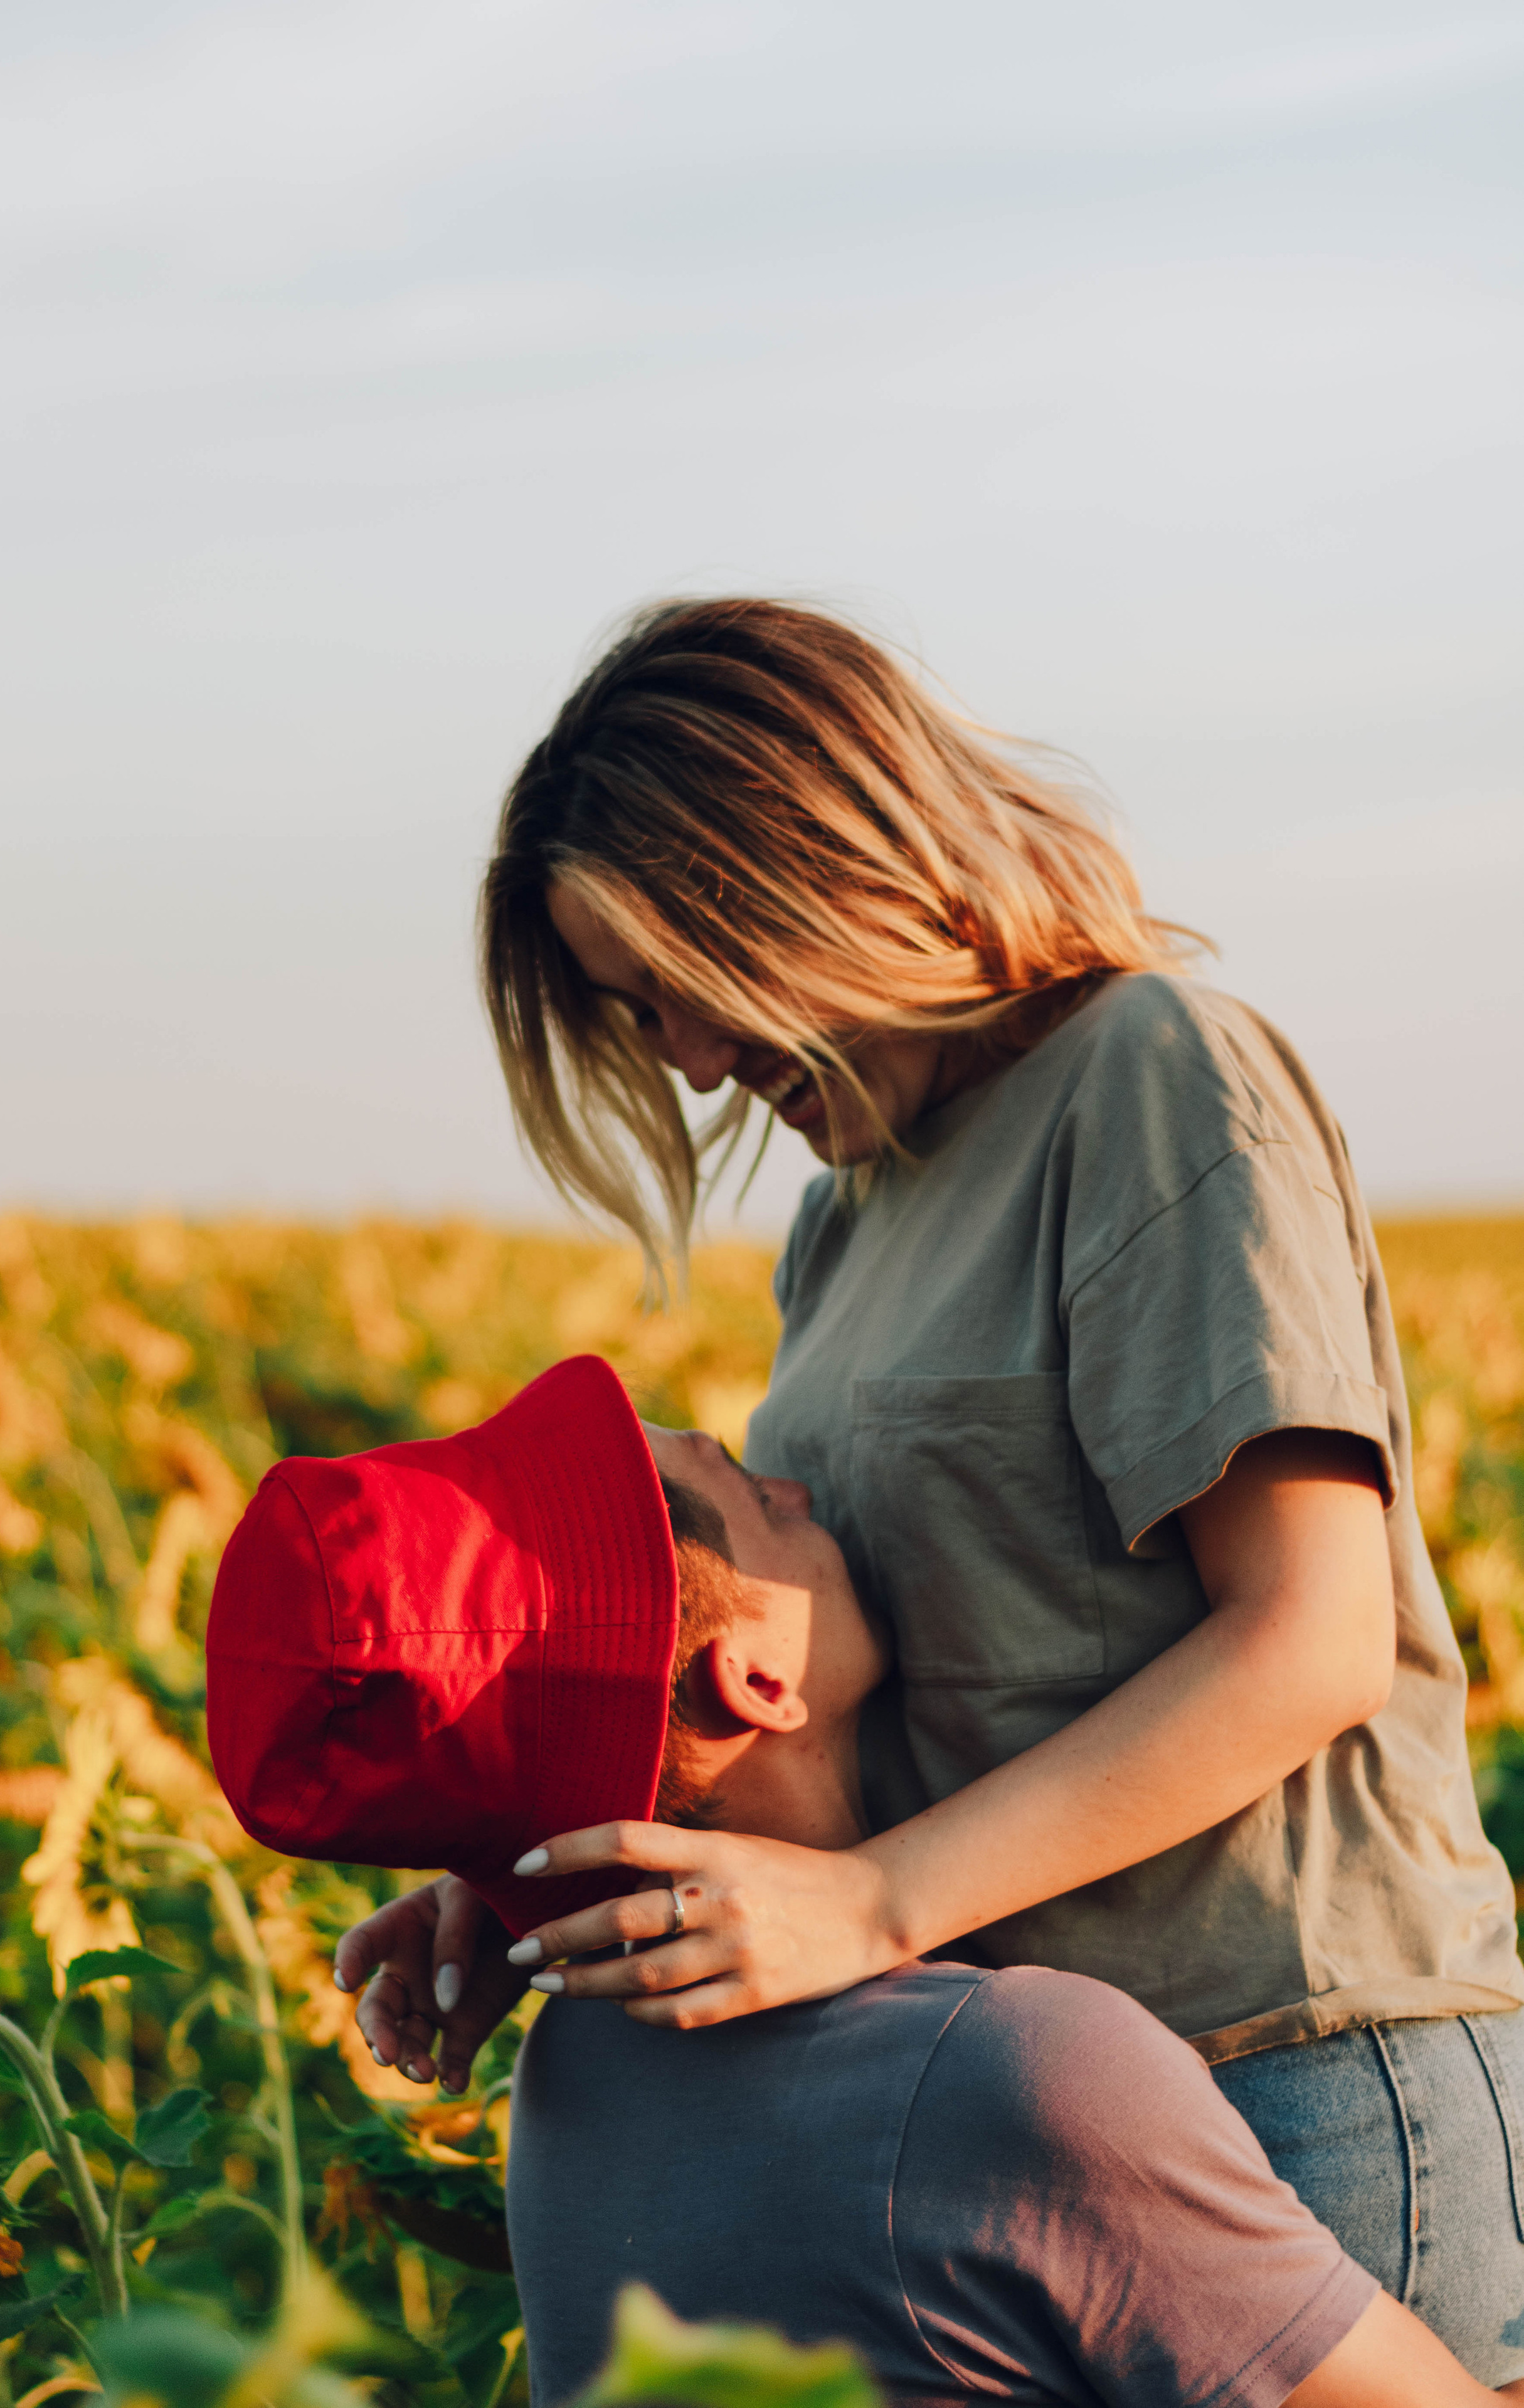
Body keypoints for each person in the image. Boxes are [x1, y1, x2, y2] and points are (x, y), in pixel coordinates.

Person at [340, 596, 1524, 2370]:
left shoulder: (1150, 1077)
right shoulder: (847, 1217)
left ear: (801, 871)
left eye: (674, 986)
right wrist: (543, 1885)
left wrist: (877, 1908)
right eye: (630, 1011)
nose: (682, 1058)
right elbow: (840, 1704)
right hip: (1050, 2124)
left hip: (1290, 2059)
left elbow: (1313, 1638)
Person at [206, 1356, 1516, 2405]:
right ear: (756, 1680)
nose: (802, 1490)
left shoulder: (576, 2080)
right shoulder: (1015, 2078)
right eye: (747, 1491)